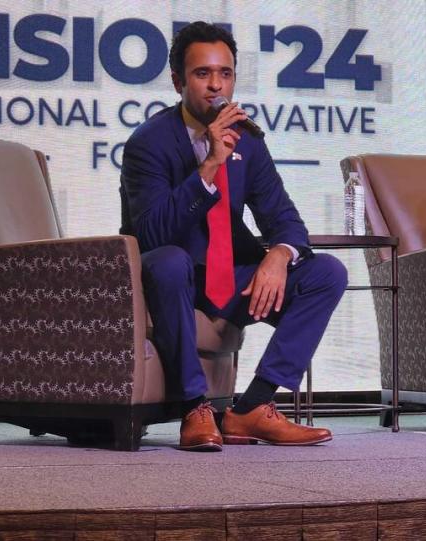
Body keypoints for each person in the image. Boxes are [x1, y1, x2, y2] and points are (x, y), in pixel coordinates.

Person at [119, 22, 347, 451]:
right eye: (203, 74)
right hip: (172, 279)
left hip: (229, 279)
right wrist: (208, 165)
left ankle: (252, 408)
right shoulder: (148, 143)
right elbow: (151, 232)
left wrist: (278, 255)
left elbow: (284, 218)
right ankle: (193, 408)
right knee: (168, 260)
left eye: (224, 74)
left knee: (327, 273)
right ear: (177, 81)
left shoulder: (249, 141)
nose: (215, 86)